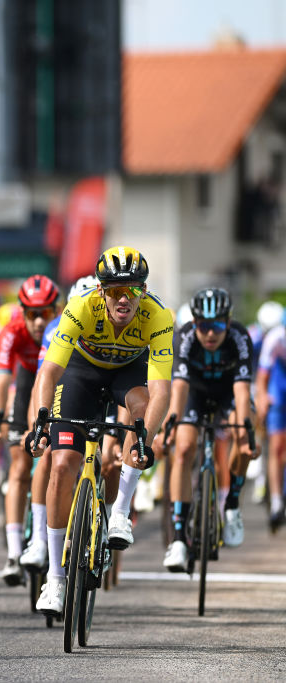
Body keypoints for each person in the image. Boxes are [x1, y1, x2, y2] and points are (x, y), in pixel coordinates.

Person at [28, 247, 173, 616]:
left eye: (133, 290)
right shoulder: (80, 307)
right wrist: (41, 419)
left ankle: (121, 511)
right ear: (101, 290)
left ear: (143, 290)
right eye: (114, 290)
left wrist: (146, 438)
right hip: (82, 372)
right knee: (61, 465)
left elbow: (162, 391)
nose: (124, 298)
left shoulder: (158, 316)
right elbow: (49, 372)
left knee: (140, 413)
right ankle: (55, 579)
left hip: (129, 372)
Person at [159, 288, 255, 571]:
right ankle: (178, 539)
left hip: (228, 393)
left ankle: (233, 505)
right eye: (204, 326)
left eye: (217, 326)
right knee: (185, 448)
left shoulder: (239, 338)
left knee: (242, 434)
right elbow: (179, 386)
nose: (210, 334)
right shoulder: (186, 337)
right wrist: (173, 421)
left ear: (228, 322)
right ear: (195, 323)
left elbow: (241, 389)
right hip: (195, 393)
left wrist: (245, 428)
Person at [0, 275, 60, 585]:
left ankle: (48, 534)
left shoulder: (63, 327)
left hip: (55, 382)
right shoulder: (12, 330)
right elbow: (1, 380)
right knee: (18, 466)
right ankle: (15, 553)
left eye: (46, 313)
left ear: (57, 310)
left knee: (54, 456)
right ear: (22, 312)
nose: (40, 321)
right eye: (32, 314)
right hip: (27, 382)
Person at [19, 275, 97, 574]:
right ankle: (39, 537)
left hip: (103, 392)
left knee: (114, 455)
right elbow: (43, 383)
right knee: (49, 455)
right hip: (66, 387)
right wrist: (36, 430)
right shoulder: (57, 329)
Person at [256, 306, 286, 531]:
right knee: (277, 448)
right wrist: (262, 400)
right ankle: (276, 500)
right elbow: (262, 376)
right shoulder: (276, 337)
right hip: (278, 385)